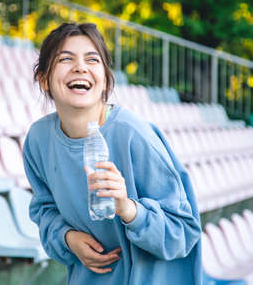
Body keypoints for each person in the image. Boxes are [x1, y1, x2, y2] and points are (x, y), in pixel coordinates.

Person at [23, 22, 202, 285]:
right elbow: (44, 210)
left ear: (105, 79)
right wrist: (67, 238)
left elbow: (184, 233)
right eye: (65, 59)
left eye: (92, 59)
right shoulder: (38, 140)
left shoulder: (133, 135)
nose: (80, 67)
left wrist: (128, 209)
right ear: (43, 79)